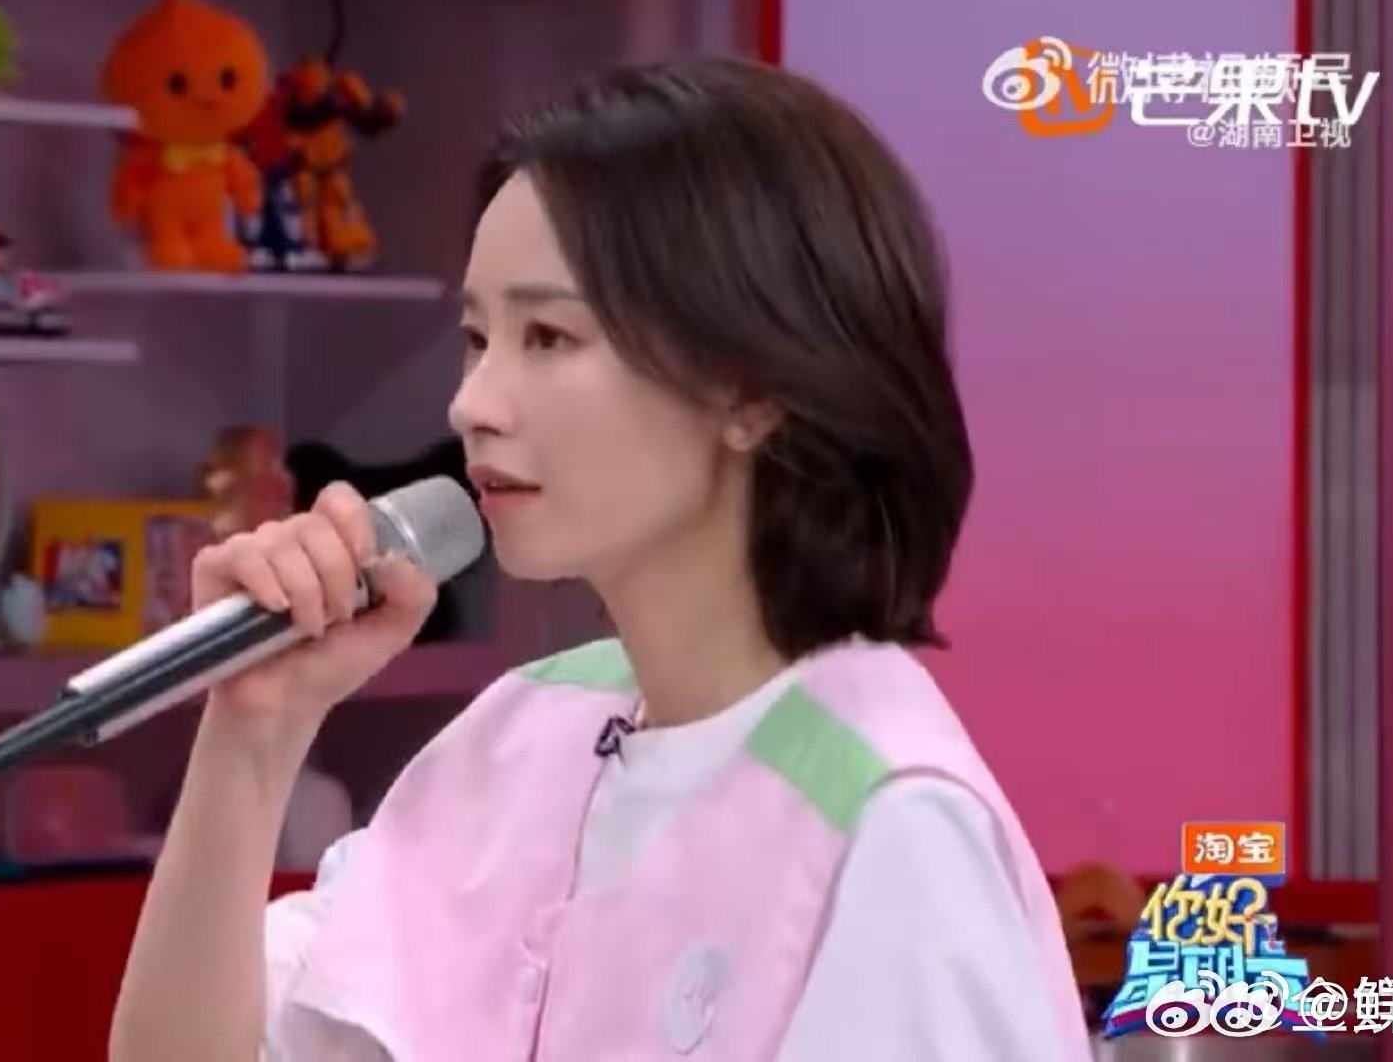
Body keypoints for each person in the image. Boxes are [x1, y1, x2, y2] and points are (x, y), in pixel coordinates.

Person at [109, 55, 1092, 1062]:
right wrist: (253, 737)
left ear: (752, 390)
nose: (472, 404)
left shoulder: (889, 816)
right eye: (475, 337)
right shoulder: (518, 735)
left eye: (547, 337)